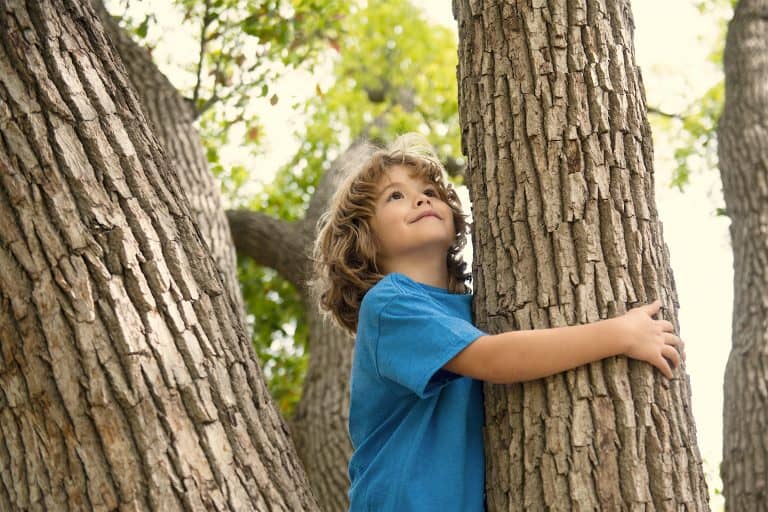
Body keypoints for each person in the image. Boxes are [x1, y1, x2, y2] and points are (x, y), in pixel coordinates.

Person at [310, 133, 684, 512]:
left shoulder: (476, 310)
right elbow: (494, 360)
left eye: (430, 190)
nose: (422, 198)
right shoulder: (389, 305)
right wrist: (619, 334)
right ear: (364, 238)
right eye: (395, 196)